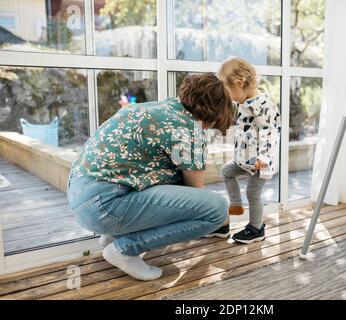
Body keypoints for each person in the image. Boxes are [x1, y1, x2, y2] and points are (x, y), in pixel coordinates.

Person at [67, 73, 234, 280]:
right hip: (104, 206)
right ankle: (124, 249)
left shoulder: (149, 108)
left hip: (80, 196)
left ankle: (113, 236)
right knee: (215, 209)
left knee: (166, 179)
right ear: (213, 111)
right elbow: (193, 194)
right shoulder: (190, 129)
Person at [206, 57, 281, 243]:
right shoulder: (244, 102)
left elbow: (270, 131)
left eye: (229, 93)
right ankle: (236, 206)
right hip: (245, 159)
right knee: (226, 172)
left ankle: (256, 229)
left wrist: (264, 157)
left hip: (258, 163)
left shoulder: (262, 105)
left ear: (239, 83)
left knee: (253, 193)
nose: (229, 98)